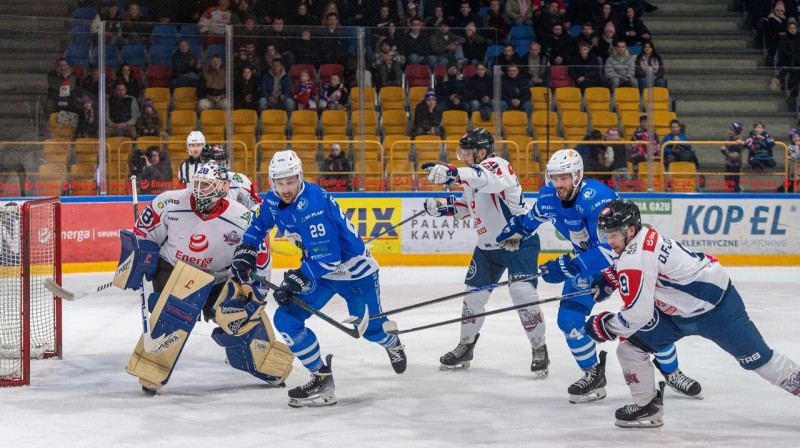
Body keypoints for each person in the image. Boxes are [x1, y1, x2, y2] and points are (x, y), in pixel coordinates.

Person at [495, 149, 701, 403]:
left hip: (626, 262)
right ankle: (593, 374)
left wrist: (569, 266)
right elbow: (533, 217)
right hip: (588, 264)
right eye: (554, 178)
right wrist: (517, 230)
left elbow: (609, 249)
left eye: (565, 178)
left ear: (578, 175)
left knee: (646, 319)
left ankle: (672, 372)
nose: (559, 184)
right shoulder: (548, 194)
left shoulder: (597, 198)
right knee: (569, 319)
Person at [586, 199, 800, 427]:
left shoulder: (634, 258)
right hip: (678, 314)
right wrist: (612, 276)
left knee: (763, 363)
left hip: (718, 311)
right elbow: (648, 269)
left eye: (614, 235)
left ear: (630, 230)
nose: (610, 241)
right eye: (606, 235)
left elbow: (638, 314)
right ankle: (646, 407)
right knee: (630, 350)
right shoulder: (643, 234)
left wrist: (605, 327)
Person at [230, 150, 407, 407]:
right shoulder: (273, 200)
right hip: (322, 273)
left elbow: (330, 259)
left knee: (371, 332)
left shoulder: (313, 207)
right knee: (287, 319)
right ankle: (321, 378)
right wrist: (246, 249)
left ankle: (393, 342)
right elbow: (258, 226)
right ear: (272, 182)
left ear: (300, 177)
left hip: (355, 273)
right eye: (279, 183)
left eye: (290, 181)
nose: (285, 188)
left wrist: (296, 279)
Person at [129, 162, 285, 393]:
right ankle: (152, 369)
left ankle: (267, 365)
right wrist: (141, 253)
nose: (200, 189)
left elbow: (260, 258)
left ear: (223, 187)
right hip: (174, 269)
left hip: (220, 278)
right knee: (172, 314)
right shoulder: (169, 202)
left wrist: (257, 294)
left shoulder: (242, 217)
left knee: (241, 316)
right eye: (198, 183)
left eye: (207, 184)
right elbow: (143, 232)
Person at [422, 128, 549, 376]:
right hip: (487, 246)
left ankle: (539, 347)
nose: (464, 158)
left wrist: (452, 172)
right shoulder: (473, 177)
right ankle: (466, 346)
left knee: (522, 293)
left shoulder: (497, 166)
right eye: (461, 154)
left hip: (517, 242)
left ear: (482, 152)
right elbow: (467, 205)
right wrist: (442, 207)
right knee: (473, 298)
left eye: (467, 153)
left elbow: (483, 178)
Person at [720, 122, 744, 193]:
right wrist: (723, 151)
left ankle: (738, 191)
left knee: (735, 185)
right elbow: (727, 154)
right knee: (728, 183)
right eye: (729, 130)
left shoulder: (740, 141)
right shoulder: (728, 141)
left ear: (736, 131)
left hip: (735, 166)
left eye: (731, 130)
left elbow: (735, 156)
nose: (729, 132)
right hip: (728, 165)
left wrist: (726, 151)